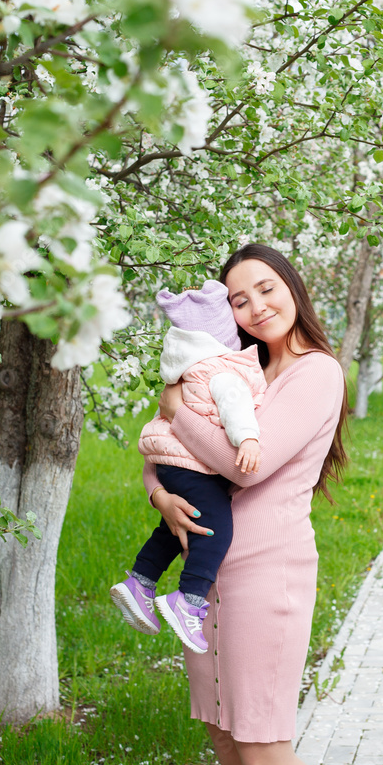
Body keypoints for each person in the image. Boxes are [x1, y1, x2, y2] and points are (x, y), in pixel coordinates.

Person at [145, 244, 348, 765]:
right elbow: (164, 449)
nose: (256, 307)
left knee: (262, 751)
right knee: (226, 743)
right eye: (239, 300)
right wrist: (159, 495)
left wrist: (177, 411)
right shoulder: (235, 368)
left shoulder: (317, 373)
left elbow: (243, 467)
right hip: (204, 580)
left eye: (266, 289)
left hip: (265, 578)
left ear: (292, 287)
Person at [110, 279, 267, 655]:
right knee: (215, 530)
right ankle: (189, 600)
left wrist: (159, 492)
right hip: (195, 465)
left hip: (170, 465)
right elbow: (235, 407)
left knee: (179, 524)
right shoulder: (225, 371)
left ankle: (140, 581)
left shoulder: (187, 371)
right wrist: (248, 439)